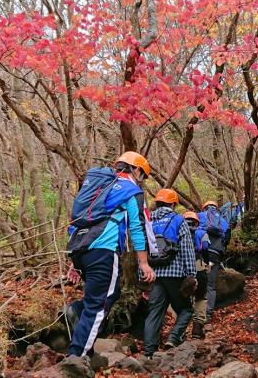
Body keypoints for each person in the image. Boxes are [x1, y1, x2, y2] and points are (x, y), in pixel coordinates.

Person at [61, 152, 156, 371]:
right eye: (143, 175)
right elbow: (137, 227)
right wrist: (143, 262)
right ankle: (76, 359)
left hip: (80, 250)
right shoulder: (130, 191)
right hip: (104, 250)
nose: (141, 180)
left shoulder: (98, 189)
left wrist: (73, 261)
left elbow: (75, 223)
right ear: (137, 170)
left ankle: (77, 311)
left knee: (109, 295)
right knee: (98, 305)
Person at [141, 189, 197, 359]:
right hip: (175, 274)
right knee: (186, 309)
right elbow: (187, 249)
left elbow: (141, 248)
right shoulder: (178, 220)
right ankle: (173, 338)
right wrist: (191, 275)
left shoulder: (148, 220)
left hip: (154, 274)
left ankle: (149, 351)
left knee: (155, 312)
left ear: (157, 202)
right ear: (173, 204)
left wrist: (141, 276)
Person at [197, 201, 230, 320]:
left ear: (204, 207)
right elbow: (226, 238)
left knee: (200, 282)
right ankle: (208, 314)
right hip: (215, 254)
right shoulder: (222, 219)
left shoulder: (200, 216)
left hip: (201, 253)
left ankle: (198, 314)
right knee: (210, 285)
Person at [183, 211, 209, 339]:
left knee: (181, 298)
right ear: (197, 222)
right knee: (200, 297)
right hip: (198, 265)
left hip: (182, 268)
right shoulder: (202, 233)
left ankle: (180, 331)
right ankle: (197, 329)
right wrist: (207, 263)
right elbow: (205, 248)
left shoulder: (179, 232)